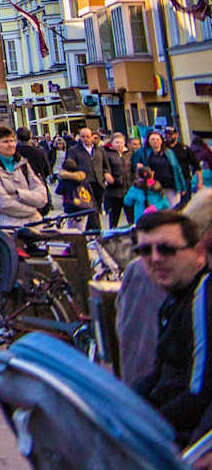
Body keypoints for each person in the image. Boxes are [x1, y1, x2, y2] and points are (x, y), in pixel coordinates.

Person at [131, 210, 212, 452]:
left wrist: (138, 426)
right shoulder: (173, 301)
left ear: (198, 253)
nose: (155, 259)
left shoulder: (203, 296)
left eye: (166, 249)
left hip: (182, 443)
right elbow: (158, 374)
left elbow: (199, 393)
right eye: (145, 251)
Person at [0, 124, 50, 230]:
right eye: (5, 142)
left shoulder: (22, 164)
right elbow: (2, 203)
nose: (11, 144)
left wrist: (19, 194)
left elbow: (43, 196)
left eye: (12, 140)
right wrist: (32, 209)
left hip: (33, 224)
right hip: (5, 226)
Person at [58, 126, 101, 232]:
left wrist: (105, 175)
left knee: (95, 210)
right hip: (82, 184)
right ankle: (95, 231)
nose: (85, 139)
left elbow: (105, 165)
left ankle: (91, 231)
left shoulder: (99, 150)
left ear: (92, 137)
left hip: (98, 183)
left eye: (87, 136)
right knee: (90, 211)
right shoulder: (74, 150)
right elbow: (70, 166)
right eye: (83, 136)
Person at [137, 131, 190, 206]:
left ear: (161, 141)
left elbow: (177, 169)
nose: (155, 141)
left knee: (174, 210)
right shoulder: (143, 153)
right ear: (148, 141)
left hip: (171, 187)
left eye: (158, 139)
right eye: (152, 139)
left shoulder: (169, 152)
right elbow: (137, 168)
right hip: (154, 188)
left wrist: (182, 187)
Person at [102, 132, 134, 229]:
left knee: (131, 216)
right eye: (116, 142)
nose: (119, 144)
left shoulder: (129, 153)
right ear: (112, 143)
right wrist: (108, 176)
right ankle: (113, 234)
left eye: (121, 142)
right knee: (114, 216)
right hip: (114, 190)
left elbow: (132, 169)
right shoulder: (107, 154)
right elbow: (104, 168)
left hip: (128, 189)